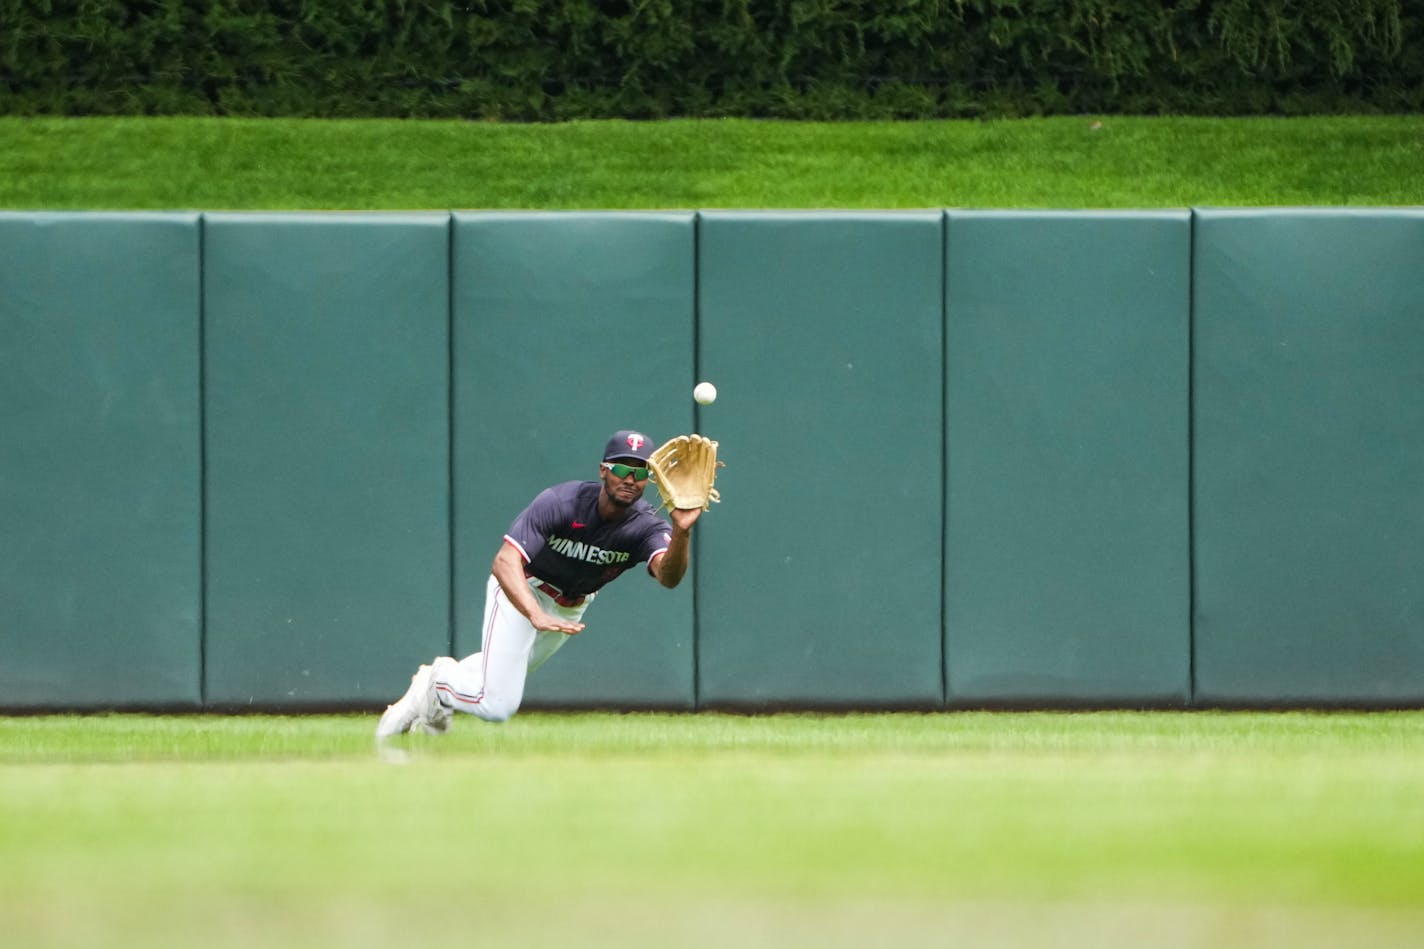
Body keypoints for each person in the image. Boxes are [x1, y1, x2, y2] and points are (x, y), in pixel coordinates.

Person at [376, 429, 703, 738]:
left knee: (506, 672)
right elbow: (505, 561)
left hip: (570, 608)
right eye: (622, 468)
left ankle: (440, 680)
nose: (631, 478)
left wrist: (683, 532)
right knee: (498, 705)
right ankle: (437, 686)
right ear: (604, 470)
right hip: (521, 589)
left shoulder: (646, 526)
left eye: (641, 471)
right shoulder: (563, 502)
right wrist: (534, 614)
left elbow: (669, 577)